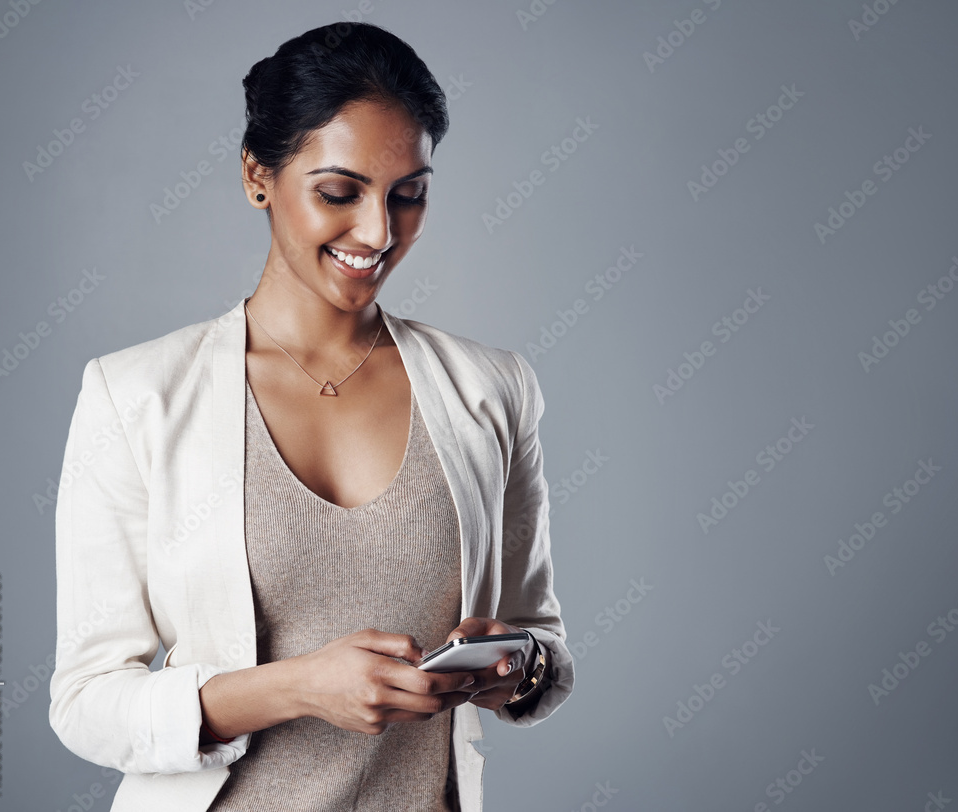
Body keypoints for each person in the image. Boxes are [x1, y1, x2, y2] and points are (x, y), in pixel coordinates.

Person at [49, 21, 574, 812]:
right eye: (339, 192)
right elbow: (85, 702)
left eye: (410, 195)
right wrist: (294, 688)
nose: (378, 232)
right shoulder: (136, 397)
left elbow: (543, 644)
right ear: (258, 176)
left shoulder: (492, 390)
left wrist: (516, 669)